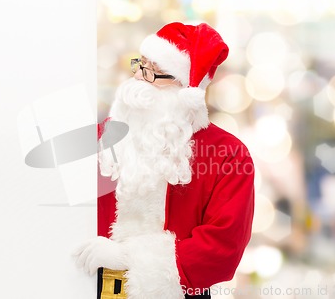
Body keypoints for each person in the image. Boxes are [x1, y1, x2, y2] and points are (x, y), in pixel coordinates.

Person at [74, 22, 255, 299]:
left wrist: (128, 258)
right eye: (140, 65)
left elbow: (223, 247)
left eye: (153, 73)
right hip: (85, 288)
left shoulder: (229, 155)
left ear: (186, 91)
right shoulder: (101, 138)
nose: (138, 78)